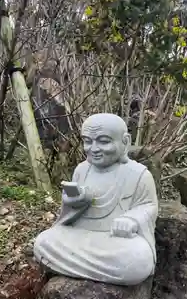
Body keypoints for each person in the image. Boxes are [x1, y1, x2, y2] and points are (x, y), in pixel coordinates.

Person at [33, 113, 158, 285]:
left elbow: (148, 206)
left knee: (138, 258)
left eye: (104, 141)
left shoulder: (138, 174)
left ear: (125, 142)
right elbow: (68, 214)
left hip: (116, 242)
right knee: (43, 242)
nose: (94, 148)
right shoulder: (81, 170)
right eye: (88, 141)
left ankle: (70, 265)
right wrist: (74, 202)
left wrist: (131, 219)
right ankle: (99, 272)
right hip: (80, 235)